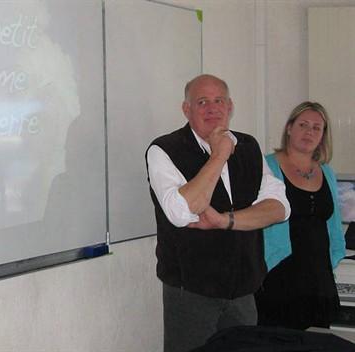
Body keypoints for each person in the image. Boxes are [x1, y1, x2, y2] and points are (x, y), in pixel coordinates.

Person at [146, 73, 290, 352]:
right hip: (191, 292)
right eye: (202, 102)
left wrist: (225, 221)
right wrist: (219, 155)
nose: (212, 108)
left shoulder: (248, 146)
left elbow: (279, 207)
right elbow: (181, 212)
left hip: (244, 289)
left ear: (230, 106)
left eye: (218, 100)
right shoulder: (163, 150)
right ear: (186, 109)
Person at [255, 101, 345, 330]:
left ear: (323, 135)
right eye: (303, 124)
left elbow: (333, 225)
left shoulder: (327, 172)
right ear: (289, 128)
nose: (309, 131)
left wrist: (331, 260)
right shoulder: (266, 167)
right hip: (278, 279)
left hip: (318, 281)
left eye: (317, 127)